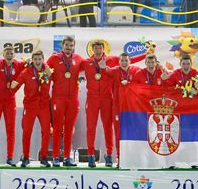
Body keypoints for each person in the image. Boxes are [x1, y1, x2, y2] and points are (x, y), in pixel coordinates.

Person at [46, 36, 85, 167]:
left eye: (71, 45)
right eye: (67, 45)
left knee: (69, 129)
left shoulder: (78, 59)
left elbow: (92, 65)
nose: (69, 48)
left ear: (73, 47)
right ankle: (56, 157)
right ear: (62, 46)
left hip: (73, 99)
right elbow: (45, 74)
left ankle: (67, 157)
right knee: (57, 128)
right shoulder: (53, 59)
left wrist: (103, 57)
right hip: (58, 98)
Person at [10, 50, 52, 168]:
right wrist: (12, 86)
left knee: (46, 132)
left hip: (44, 106)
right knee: (27, 132)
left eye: (40, 59)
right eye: (35, 59)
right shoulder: (26, 72)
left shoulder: (48, 71)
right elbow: (15, 86)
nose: (38, 61)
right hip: (30, 106)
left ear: (43, 59)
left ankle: (43, 157)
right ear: (32, 60)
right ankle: (26, 157)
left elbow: (61, 81)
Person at [82, 41, 120, 168]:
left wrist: (146, 55)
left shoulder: (112, 59)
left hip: (106, 98)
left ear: (104, 49)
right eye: (96, 48)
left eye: (100, 48)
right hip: (92, 99)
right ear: (92, 50)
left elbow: (129, 60)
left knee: (108, 128)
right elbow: (70, 68)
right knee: (91, 128)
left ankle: (109, 155)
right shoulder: (86, 62)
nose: (98, 50)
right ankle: (91, 155)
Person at [103, 53, 144, 164]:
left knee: (132, 132)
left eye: (126, 60)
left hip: (131, 108)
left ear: (130, 61)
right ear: (119, 61)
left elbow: (147, 73)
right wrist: (102, 66)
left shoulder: (136, 71)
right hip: (117, 108)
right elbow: (105, 71)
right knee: (118, 133)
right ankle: (119, 156)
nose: (124, 63)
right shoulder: (115, 71)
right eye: (122, 60)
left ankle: (132, 156)